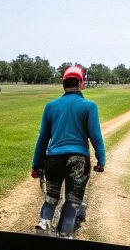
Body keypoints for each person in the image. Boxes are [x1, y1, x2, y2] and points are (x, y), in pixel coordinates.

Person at [31, 63, 105, 238]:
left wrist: (36, 165)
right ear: (81, 84)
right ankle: (65, 234)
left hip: (53, 159)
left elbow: (43, 138)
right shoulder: (89, 106)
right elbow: (96, 137)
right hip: (78, 159)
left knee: (51, 197)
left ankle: (44, 223)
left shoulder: (51, 106)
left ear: (63, 84)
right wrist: (101, 160)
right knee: (73, 201)